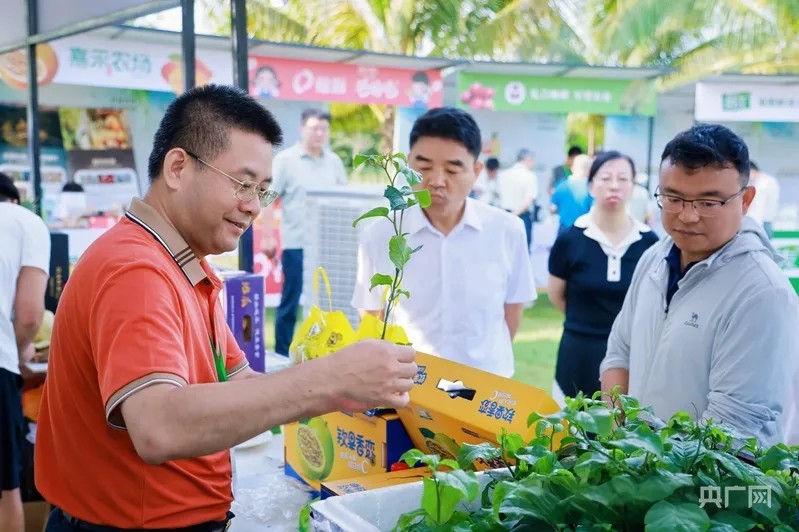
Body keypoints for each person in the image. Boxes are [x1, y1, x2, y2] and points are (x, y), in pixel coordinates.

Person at [35, 85, 416, 530]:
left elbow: (241, 383)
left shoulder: (183, 265)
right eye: (243, 183)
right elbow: (159, 426)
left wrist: (337, 388)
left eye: (263, 191)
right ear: (178, 167)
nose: (253, 207)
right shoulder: (136, 270)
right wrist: (327, 378)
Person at [600, 124, 799, 446]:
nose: (688, 216)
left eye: (708, 202)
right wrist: (620, 441)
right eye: (673, 198)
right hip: (637, 464)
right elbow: (619, 355)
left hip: (707, 475)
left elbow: (730, 431)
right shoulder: (655, 258)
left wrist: (643, 461)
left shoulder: (762, 293)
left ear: (746, 200)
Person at [351, 107, 536, 378]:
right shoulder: (381, 235)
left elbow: (512, 312)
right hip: (407, 385)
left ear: (476, 171)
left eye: (452, 169)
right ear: (408, 165)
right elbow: (370, 316)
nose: (436, 181)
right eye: (424, 167)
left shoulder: (507, 231)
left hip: (484, 387)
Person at [548, 152, 658, 398]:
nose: (614, 186)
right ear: (591, 185)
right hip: (578, 350)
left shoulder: (649, 243)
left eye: (623, 179)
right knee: (571, 418)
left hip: (631, 354)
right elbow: (556, 295)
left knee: (624, 419)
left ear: (633, 187)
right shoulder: (570, 238)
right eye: (606, 178)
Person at [264, 108, 347, 357]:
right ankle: (281, 356)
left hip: (329, 247)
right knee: (290, 302)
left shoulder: (334, 162)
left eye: (324, 129)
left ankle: (322, 354)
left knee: (328, 304)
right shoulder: (286, 160)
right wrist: (267, 236)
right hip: (297, 244)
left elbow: (344, 201)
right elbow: (268, 199)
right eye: (314, 128)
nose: (319, 133)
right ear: (302, 129)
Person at [0, 172, 50, 532]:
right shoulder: (25, 223)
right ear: (14, 199)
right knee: (6, 490)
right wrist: (19, 352)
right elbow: (31, 314)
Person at [498, 149, 538, 252]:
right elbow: (528, 200)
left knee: (506, 250)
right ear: (527, 160)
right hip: (522, 217)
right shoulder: (530, 176)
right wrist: (515, 215)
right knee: (522, 252)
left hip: (504, 215)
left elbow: (497, 195)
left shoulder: (503, 174)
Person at [551, 153, 594, 235]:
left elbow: (553, 208)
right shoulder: (591, 188)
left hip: (564, 230)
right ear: (590, 170)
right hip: (584, 231)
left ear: (573, 167)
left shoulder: (561, 185)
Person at [747, 160, 780, 238]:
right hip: (764, 220)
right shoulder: (767, 181)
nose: (749, 177)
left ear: (753, 171)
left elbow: (759, 206)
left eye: (748, 174)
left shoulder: (763, 183)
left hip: (763, 221)